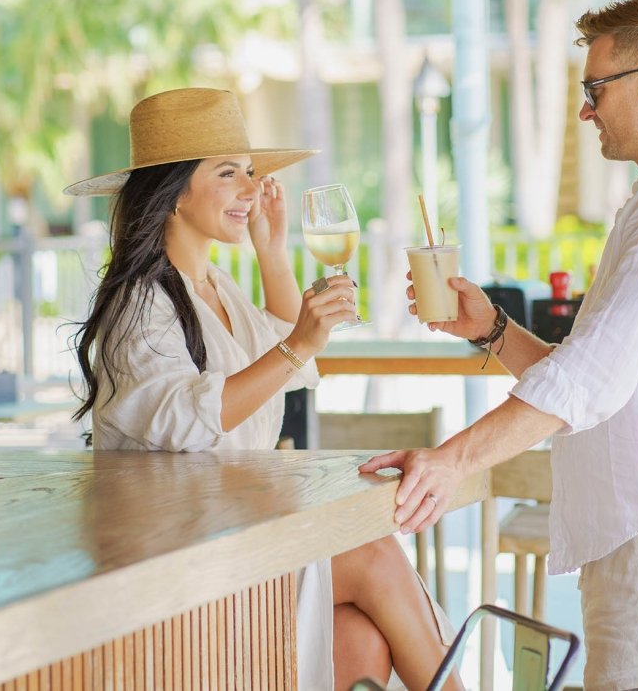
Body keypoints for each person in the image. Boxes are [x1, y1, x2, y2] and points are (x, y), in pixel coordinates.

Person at [362, 0, 638, 690]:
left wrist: (449, 462)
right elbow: (613, 378)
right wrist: (493, 329)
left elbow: (594, 374)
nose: (586, 111)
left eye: (595, 89)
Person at [66, 86, 453, 691]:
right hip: (179, 554)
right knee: (376, 557)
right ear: (172, 194)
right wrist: (298, 340)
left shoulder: (215, 285)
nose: (251, 188)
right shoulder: (140, 303)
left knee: (359, 640)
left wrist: (273, 254)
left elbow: (283, 367)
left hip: (237, 533)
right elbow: (196, 416)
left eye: (251, 172)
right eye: (228, 173)